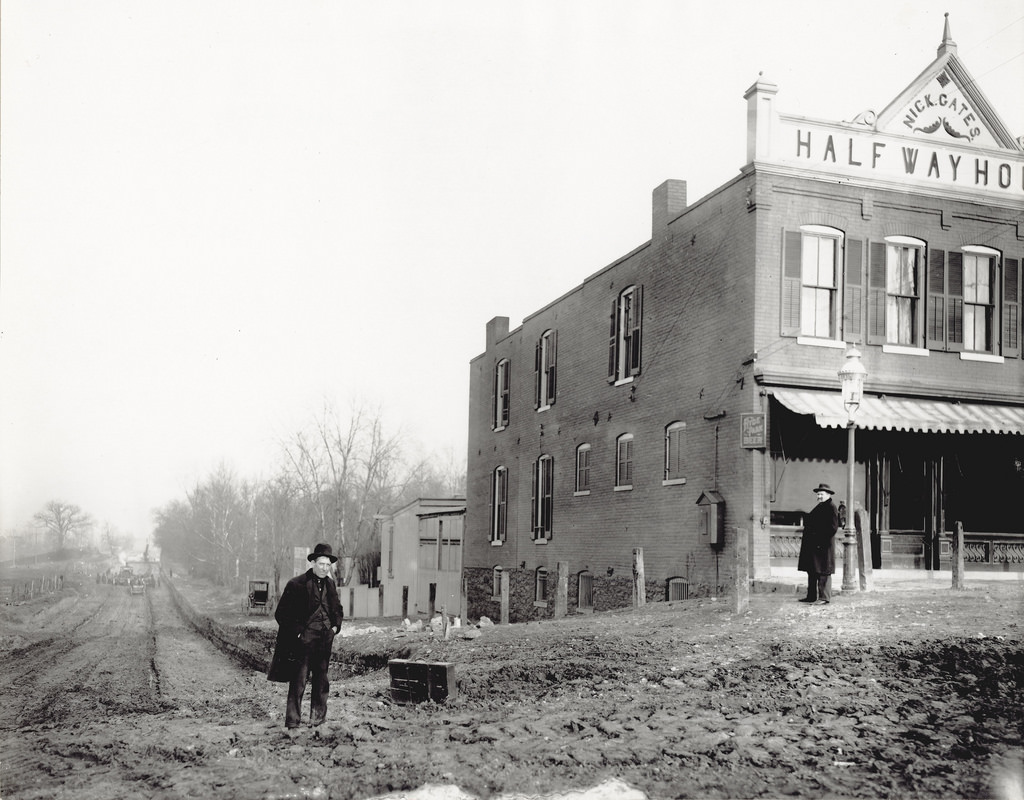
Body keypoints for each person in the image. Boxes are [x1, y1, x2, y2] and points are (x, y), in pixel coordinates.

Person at [267, 543, 344, 730]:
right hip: (303, 641)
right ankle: (293, 722)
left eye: (328, 565)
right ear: (313, 563)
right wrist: (299, 632)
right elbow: (281, 614)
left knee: (321, 681)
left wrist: (335, 627)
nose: (325, 568)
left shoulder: (331, 584)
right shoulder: (297, 584)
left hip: (325, 639)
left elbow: (337, 609)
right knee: (299, 681)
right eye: (321, 564)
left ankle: (318, 720)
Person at [797, 483, 840, 605]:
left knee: (823, 572)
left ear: (828, 495)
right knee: (812, 570)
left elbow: (833, 528)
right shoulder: (821, 506)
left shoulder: (831, 507)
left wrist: (819, 540)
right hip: (815, 547)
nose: (819, 496)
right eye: (818, 494)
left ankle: (824, 598)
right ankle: (811, 596)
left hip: (823, 547)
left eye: (821, 494)